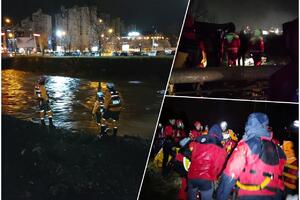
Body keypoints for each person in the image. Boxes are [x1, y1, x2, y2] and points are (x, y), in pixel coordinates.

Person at [217, 113, 286, 200]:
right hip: (276, 195)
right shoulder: (278, 149)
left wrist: (220, 196)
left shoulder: (245, 145)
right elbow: (280, 174)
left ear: (250, 124)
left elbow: (230, 174)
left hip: (250, 195)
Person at [187, 124, 227, 200]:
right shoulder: (220, 147)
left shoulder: (198, 140)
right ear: (219, 134)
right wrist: (215, 175)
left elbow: (192, 155)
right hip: (206, 179)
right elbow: (220, 166)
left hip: (191, 176)